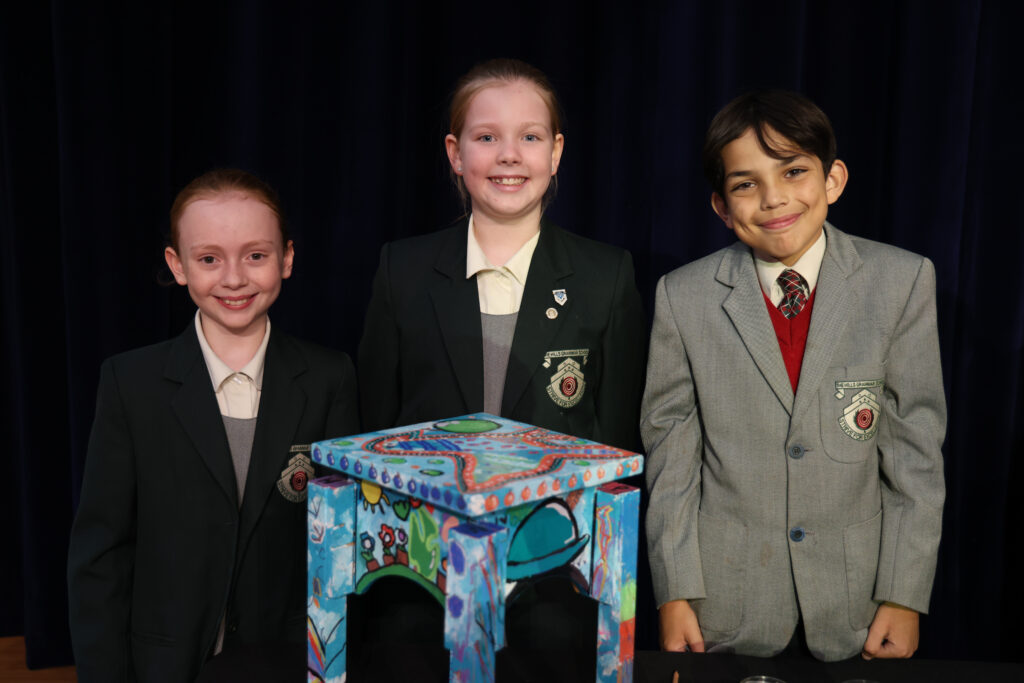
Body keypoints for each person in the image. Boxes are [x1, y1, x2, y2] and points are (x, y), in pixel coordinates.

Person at [642, 90, 946, 662]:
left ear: (833, 179)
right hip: (723, 602)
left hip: (858, 603)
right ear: (721, 207)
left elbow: (916, 456)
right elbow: (671, 458)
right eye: (745, 184)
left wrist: (903, 595)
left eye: (793, 172)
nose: (774, 198)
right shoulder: (683, 297)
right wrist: (675, 591)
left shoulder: (901, 283)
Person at [67, 169, 359, 682]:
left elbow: (339, 545)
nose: (233, 278)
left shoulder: (330, 378)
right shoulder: (130, 383)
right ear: (177, 265)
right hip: (163, 663)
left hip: (283, 658)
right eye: (209, 259)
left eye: (255, 255)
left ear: (287, 258)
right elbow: (102, 555)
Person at [358, 58, 646, 453]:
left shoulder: (606, 278)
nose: (509, 155)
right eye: (487, 137)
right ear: (456, 153)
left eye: (529, 137)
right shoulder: (402, 272)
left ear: (555, 152)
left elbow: (616, 446)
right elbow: (373, 440)